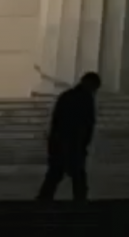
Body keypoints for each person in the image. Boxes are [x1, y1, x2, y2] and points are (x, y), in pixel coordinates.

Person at [36, 72, 100, 202]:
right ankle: (79, 201)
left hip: (61, 142)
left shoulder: (67, 96)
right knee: (76, 174)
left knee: (56, 173)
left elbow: (57, 121)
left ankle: (44, 199)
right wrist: (83, 143)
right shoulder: (85, 98)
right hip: (73, 143)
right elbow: (87, 123)